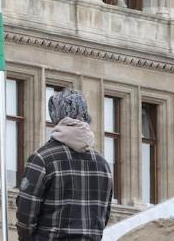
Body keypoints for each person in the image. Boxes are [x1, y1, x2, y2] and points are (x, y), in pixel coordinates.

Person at [15, 89, 114, 241]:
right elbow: (103, 216)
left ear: (55, 116)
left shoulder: (42, 159)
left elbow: (26, 214)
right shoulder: (103, 165)